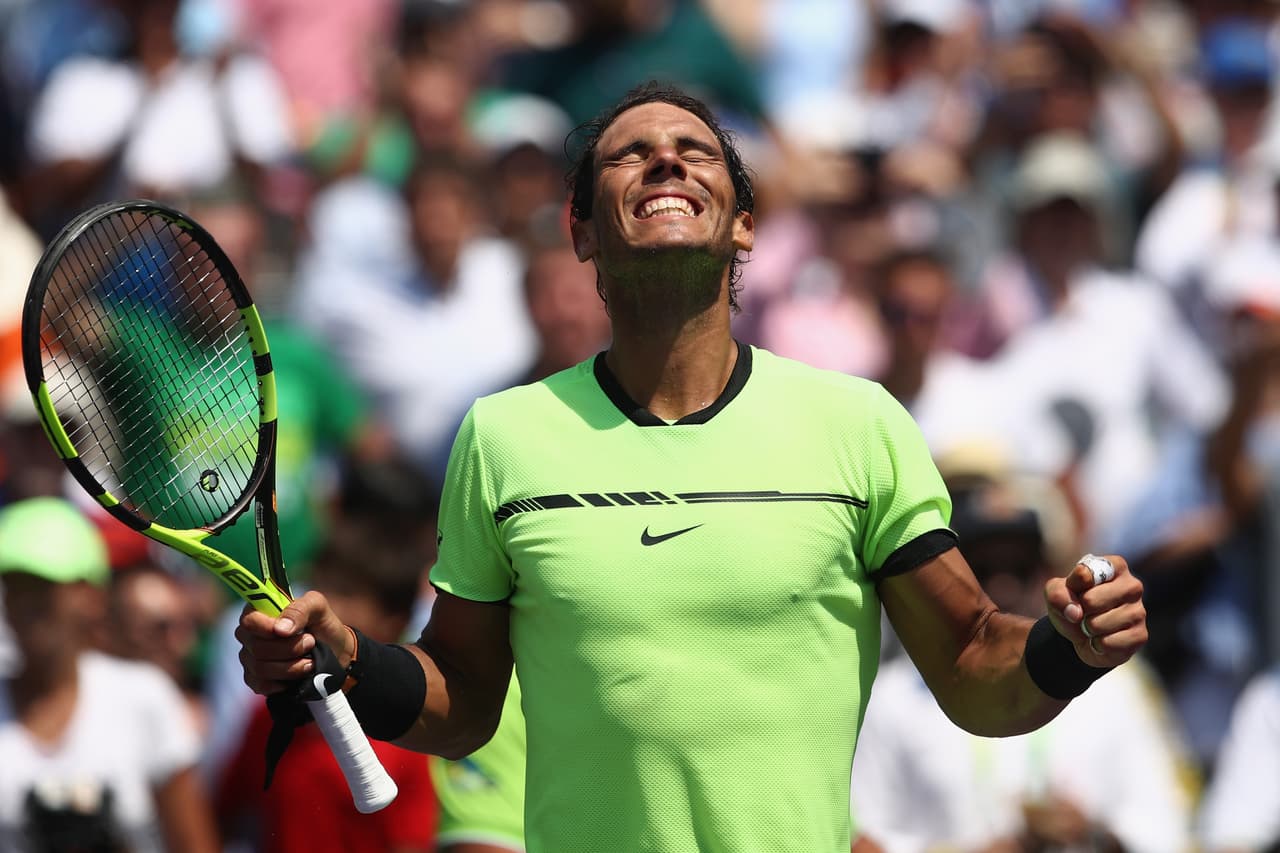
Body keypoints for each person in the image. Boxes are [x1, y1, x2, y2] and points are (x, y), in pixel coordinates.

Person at [235, 82, 1149, 853]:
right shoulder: (502, 435)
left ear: (745, 225)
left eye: (695, 151)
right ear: (582, 230)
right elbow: (465, 701)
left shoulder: (859, 422)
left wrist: (1064, 647)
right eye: (629, 156)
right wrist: (348, 658)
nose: (665, 162)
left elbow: (967, 661)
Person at [851, 465, 1194, 853]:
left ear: (1048, 570)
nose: (1003, 585)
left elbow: (1167, 829)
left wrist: (1091, 832)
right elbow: (862, 839)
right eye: (983, 568)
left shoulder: (1116, 686)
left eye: (1021, 568)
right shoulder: (892, 699)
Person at [0, 497, 219, 853]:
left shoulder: (146, 697)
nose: (26, 604)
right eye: (14, 587)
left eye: (43, 588)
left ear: (90, 595)